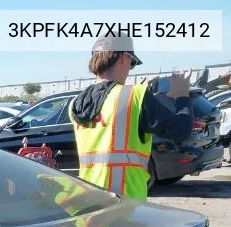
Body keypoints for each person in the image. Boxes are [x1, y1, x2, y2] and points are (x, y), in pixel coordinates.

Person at [69, 34, 193, 200]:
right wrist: (182, 96)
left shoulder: (75, 104)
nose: (130, 68)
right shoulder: (135, 96)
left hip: (90, 201)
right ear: (123, 58)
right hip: (127, 206)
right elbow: (181, 130)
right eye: (132, 63)